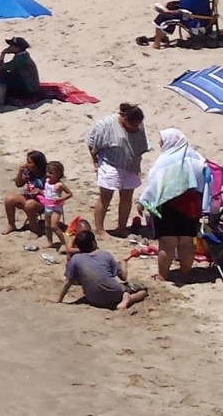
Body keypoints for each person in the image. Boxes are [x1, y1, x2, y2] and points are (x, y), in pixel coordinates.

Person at [138, 127, 211, 283]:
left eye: (162, 141)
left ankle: (162, 276)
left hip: (168, 205)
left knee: (167, 242)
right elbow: (204, 181)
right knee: (186, 241)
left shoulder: (165, 160)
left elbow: (154, 185)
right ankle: (186, 274)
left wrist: (143, 201)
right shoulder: (198, 158)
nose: (159, 143)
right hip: (192, 205)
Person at [86, 103, 149, 238]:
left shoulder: (138, 124)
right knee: (106, 196)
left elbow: (141, 144)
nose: (136, 128)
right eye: (133, 125)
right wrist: (95, 162)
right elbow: (91, 143)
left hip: (130, 163)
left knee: (127, 196)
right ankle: (99, 228)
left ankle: (121, 227)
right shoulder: (106, 123)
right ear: (125, 119)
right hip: (110, 162)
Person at [56, 226, 146, 311]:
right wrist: (124, 263)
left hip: (93, 299)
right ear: (93, 243)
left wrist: (59, 300)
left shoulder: (75, 259)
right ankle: (129, 299)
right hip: (115, 294)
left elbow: (68, 282)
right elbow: (123, 277)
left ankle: (125, 297)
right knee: (143, 290)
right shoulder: (105, 255)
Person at [0, 36, 40, 106]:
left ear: (17, 47)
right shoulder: (22, 56)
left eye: (11, 45)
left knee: (2, 75)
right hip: (26, 86)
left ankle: (0, 102)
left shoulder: (21, 58)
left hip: (28, 89)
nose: (9, 47)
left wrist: (3, 53)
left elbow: (1, 67)